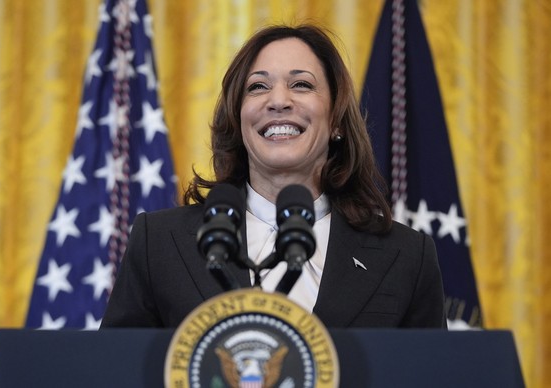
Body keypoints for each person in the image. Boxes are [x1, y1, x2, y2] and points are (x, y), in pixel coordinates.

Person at [101, 24, 446, 329]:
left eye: (301, 84)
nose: (278, 100)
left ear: (337, 121)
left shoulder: (406, 257)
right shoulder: (159, 243)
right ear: (238, 120)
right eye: (257, 87)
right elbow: (116, 373)